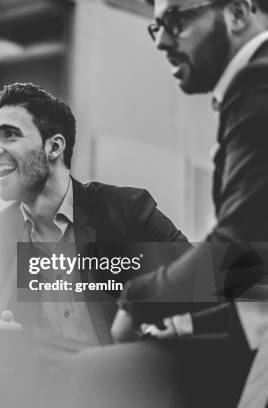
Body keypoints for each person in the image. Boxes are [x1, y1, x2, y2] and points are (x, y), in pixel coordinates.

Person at [108, 0, 268, 405]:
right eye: (156, 26)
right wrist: (186, 323)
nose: (161, 40)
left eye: (176, 20)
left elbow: (240, 253)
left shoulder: (259, 83)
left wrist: (139, 303)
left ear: (237, 12)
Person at [0, 82, 190, 345]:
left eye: (10, 135)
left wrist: (170, 315)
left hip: (129, 378)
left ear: (53, 147)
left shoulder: (127, 211)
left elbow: (210, 278)